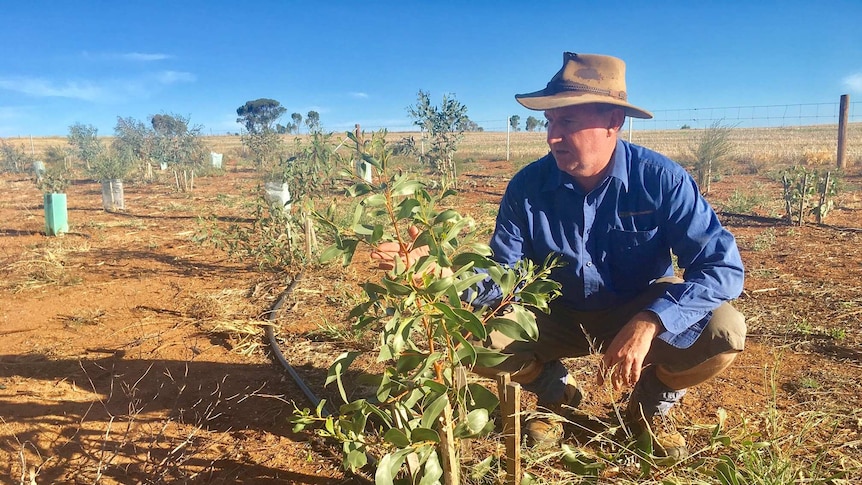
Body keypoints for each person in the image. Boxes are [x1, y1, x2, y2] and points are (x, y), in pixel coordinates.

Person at [375, 52, 746, 460]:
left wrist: (650, 321)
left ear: (613, 123)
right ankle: (557, 394)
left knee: (724, 331)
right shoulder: (527, 186)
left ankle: (649, 407)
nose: (552, 136)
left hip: (635, 310)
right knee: (469, 334)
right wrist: (445, 275)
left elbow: (721, 267)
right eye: (550, 122)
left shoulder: (661, 180)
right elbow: (505, 271)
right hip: (555, 314)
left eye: (566, 121)